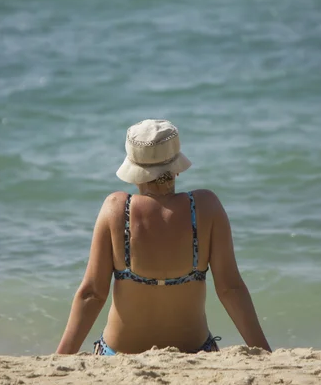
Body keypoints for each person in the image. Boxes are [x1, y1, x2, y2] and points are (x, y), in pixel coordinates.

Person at [56, 119, 271, 355]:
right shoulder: (206, 207)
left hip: (117, 355)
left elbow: (92, 294)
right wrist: (264, 352)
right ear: (177, 167)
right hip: (195, 353)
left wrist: (61, 358)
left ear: (133, 172)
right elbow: (231, 289)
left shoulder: (116, 209)